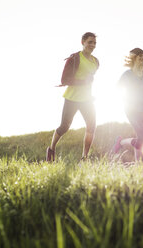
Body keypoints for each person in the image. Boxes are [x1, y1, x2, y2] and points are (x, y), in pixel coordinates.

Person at [46, 32, 99, 162]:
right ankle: (51, 149)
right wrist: (83, 82)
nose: (92, 45)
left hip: (87, 100)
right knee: (64, 126)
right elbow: (64, 80)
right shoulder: (74, 59)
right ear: (83, 42)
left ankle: (84, 158)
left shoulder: (95, 62)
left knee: (91, 126)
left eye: (94, 43)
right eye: (90, 42)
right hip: (72, 98)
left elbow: (90, 80)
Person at [111, 48, 143, 161]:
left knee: (141, 139)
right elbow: (118, 88)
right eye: (139, 56)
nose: (142, 57)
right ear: (134, 58)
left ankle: (137, 164)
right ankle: (122, 142)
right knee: (142, 138)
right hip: (131, 109)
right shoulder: (127, 74)